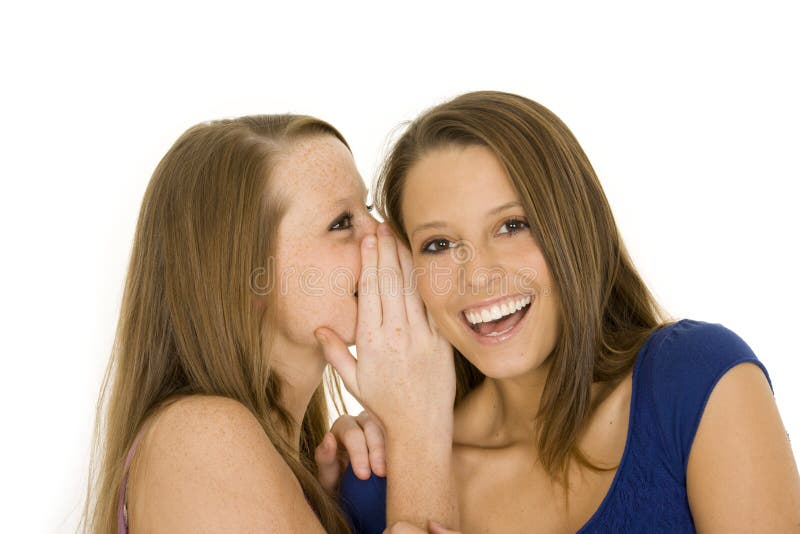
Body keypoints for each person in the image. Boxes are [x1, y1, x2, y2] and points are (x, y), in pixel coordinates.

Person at [318, 91, 800, 533]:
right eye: (439, 244)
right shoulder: (378, 481)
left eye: (512, 225)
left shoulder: (697, 383)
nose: (478, 276)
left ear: (576, 226)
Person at [80, 114, 385, 533]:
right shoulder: (200, 438)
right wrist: (422, 427)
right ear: (247, 280)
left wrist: (335, 509)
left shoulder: (273, 456)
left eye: (366, 209)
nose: (382, 235)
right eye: (342, 223)